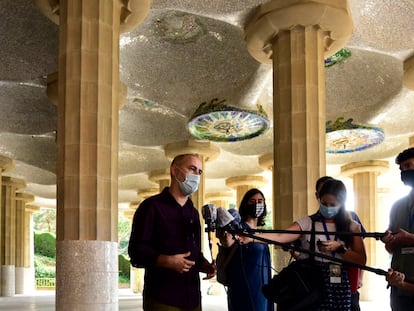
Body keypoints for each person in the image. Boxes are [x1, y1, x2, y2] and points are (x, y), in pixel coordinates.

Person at [242, 178, 366, 310]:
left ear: (342, 203)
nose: (328, 208)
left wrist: (339, 249)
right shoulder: (308, 222)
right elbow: (281, 235)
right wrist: (252, 238)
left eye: (332, 204)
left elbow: (361, 259)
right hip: (312, 282)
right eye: (324, 203)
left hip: (338, 284)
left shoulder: (352, 227)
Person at [128, 153, 216, 311]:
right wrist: (165, 260)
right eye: (192, 169)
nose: (196, 175)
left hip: (193, 298)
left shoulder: (193, 213)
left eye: (199, 172)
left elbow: (194, 251)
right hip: (163, 299)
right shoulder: (151, 207)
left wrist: (205, 265)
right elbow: (136, 252)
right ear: (175, 171)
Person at [215, 188, 274, 311]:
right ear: (245, 204)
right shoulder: (239, 228)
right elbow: (228, 241)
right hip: (244, 287)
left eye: (260, 201)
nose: (257, 204)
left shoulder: (260, 232)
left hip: (263, 287)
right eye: (252, 201)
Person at [315, 176, 366, 311]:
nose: (328, 205)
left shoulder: (352, 219)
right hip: (322, 277)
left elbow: (360, 253)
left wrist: (360, 277)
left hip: (347, 276)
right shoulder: (312, 222)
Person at [381, 147, 414, 310]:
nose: (405, 172)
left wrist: (410, 238)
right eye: (402, 169)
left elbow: (407, 239)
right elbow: (391, 249)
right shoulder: (397, 206)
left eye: (408, 166)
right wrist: (389, 241)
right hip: (399, 288)